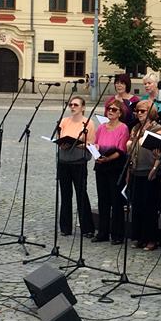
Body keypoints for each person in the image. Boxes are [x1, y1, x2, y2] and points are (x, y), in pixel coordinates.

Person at [126, 102, 161, 251]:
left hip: (149, 170)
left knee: (150, 207)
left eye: (142, 111)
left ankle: (151, 239)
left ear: (150, 112)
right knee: (137, 206)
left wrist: (155, 168)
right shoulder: (136, 128)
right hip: (136, 169)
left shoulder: (157, 129)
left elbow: (160, 152)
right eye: (137, 111)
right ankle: (139, 237)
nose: (139, 113)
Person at [56, 95, 96, 237]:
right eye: (71, 105)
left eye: (76, 105)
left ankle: (87, 228)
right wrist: (62, 144)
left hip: (79, 162)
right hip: (64, 161)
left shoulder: (88, 123)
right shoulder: (64, 121)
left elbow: (91, 143)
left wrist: (76, 144)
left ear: (83, 107)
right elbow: (59, 138)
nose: (72, 107)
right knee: (65, 194)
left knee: (81, 194)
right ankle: (65, 227)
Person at [93, 99, 130, 243]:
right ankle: (102, 233)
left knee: (116, 201)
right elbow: (96, 143)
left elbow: (121, 150)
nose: (110, 111)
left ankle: (117, 234)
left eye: (114, 109)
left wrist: (108, 159)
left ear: (120, 113)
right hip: (101, 165)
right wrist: (95, 150)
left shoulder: (123, 128)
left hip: (115, 166)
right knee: (103, 200)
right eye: (109, 108)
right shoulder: (102, 127)